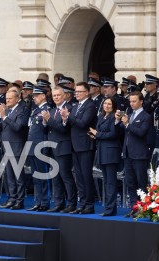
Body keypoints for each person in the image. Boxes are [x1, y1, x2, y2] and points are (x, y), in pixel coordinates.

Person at [61, 82, 96, 214]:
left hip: (85, 145)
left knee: (86, 176)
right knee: (79, 176)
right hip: (75, 145)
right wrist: (65, 119)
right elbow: (71, 124)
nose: (76, 93)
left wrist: (69, 117)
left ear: (87, 93)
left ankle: (89, 204)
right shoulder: (76, 106)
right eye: (76, 91)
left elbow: (82, 123)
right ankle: (82, 204)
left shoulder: (90, 106)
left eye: (79, 92)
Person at [42, 86, 77, 213]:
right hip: (52, 148)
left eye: (58, 95)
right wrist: (45, 122)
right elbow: (47, 129)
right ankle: (58, 203)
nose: (56, 97)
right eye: (54, 95)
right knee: (55, 177)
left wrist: (49, 120)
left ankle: (71, 204)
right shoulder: (51, 111)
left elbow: (63, 129)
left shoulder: (70, 108)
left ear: (65, 96)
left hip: (63, 147)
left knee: (66, 176)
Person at [119, 91, 152, 217]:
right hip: (127, 154)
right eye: (130, 101)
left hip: (139, 155)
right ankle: (134, 207)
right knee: (130, 182)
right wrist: (119, 122)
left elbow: (141, 132)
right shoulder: (130, 114)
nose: (131, 103)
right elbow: (124, 131)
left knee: (141, 183)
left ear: (141, 101)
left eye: (134, 101)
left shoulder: (146, 116)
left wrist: (127, 124)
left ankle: (143, 208)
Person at [0, 90, 28, 210]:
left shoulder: (23, 110)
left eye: (10, 98)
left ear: (17, 99)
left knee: (18, 176)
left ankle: (20, 200)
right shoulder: (6, 111)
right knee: (9, 176)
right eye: (6, 98)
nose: (7, 101)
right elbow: (2, 128)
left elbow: (18, 127)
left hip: (17, 146)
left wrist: (3, 116)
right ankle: (11, 198)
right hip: (6, 147)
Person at [88, 98, 121, 216]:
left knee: (110, 182)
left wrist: (98, 134)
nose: (107, 106)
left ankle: (111, 209)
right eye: (105, 103)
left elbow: (113, 134)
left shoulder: (114, 117)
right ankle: (108, 208)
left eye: (110, 104)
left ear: (114, 106)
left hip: (111, 153)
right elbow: (101, 133)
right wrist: (95, 136)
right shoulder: (102, 117)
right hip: (102, 152)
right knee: (106, 181)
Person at [26, 86, 50, 211]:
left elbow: (46, 129)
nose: (34, 98)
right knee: (35, 176)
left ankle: (45, 202)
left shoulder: (47, 109)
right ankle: (38, 201)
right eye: (33, 96)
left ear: (43, 96)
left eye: (36, 95)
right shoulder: (35, 110)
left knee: (43, 176)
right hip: (32, 146)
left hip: (41, 147)